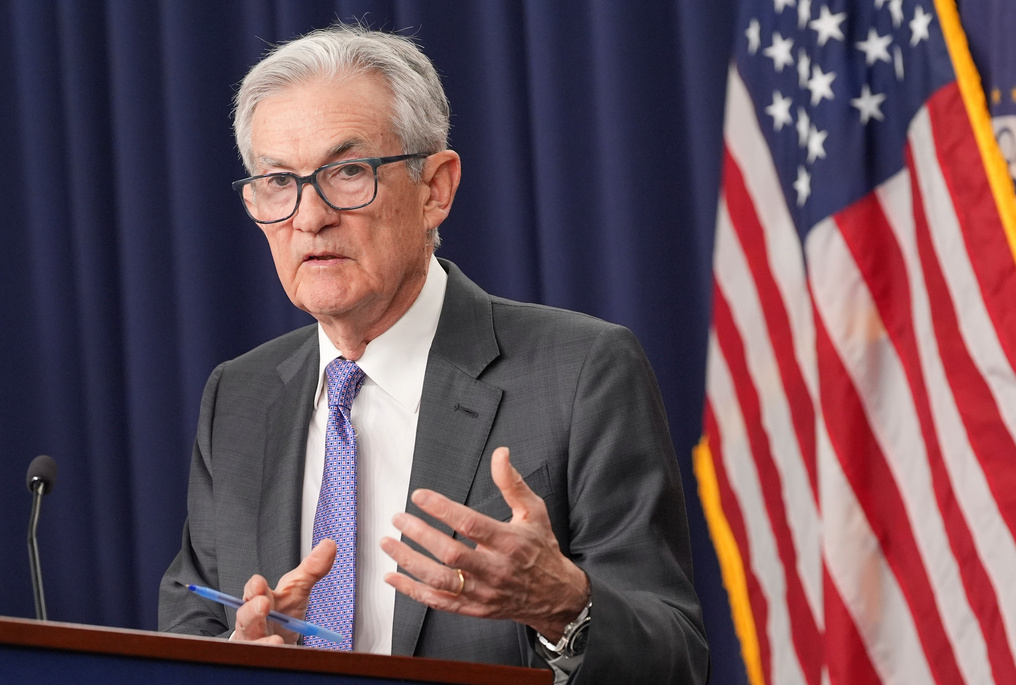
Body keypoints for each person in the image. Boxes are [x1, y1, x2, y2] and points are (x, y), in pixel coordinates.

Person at [158, 23, 709, 683]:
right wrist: (239, 655)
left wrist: (565, 607)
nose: (308, 217)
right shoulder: (238, 396)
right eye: (279, 180)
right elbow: (189, 627)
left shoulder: (581, 372)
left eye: (348, 172)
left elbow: (676, 660)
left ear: (435, 189)